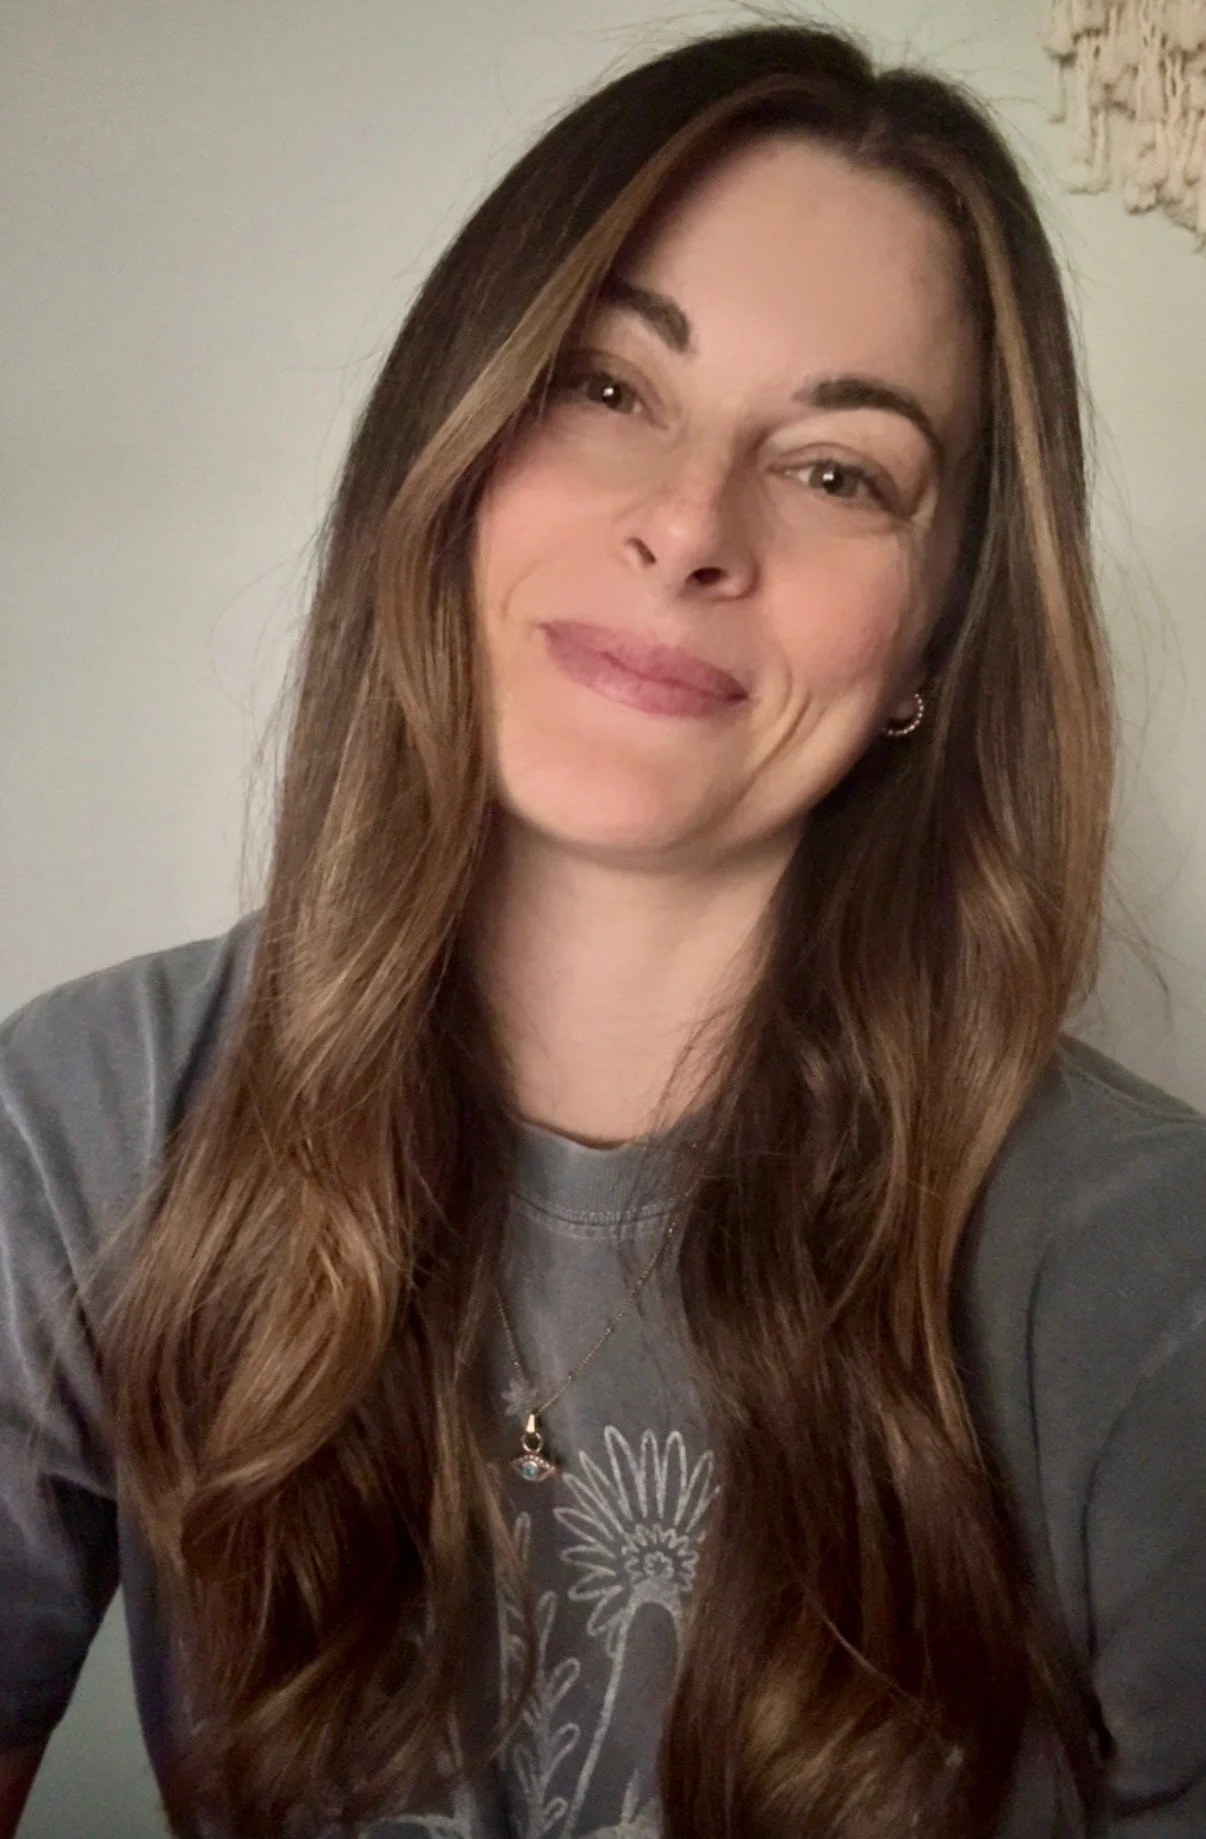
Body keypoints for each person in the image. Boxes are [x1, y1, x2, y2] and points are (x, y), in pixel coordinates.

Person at [2, 18, 1205, 1839]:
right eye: (606, 385)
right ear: (455, 447)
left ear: (933, 648)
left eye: (835, 471)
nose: (686, 528)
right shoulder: (87, 1114)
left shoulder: (1146, 1278)